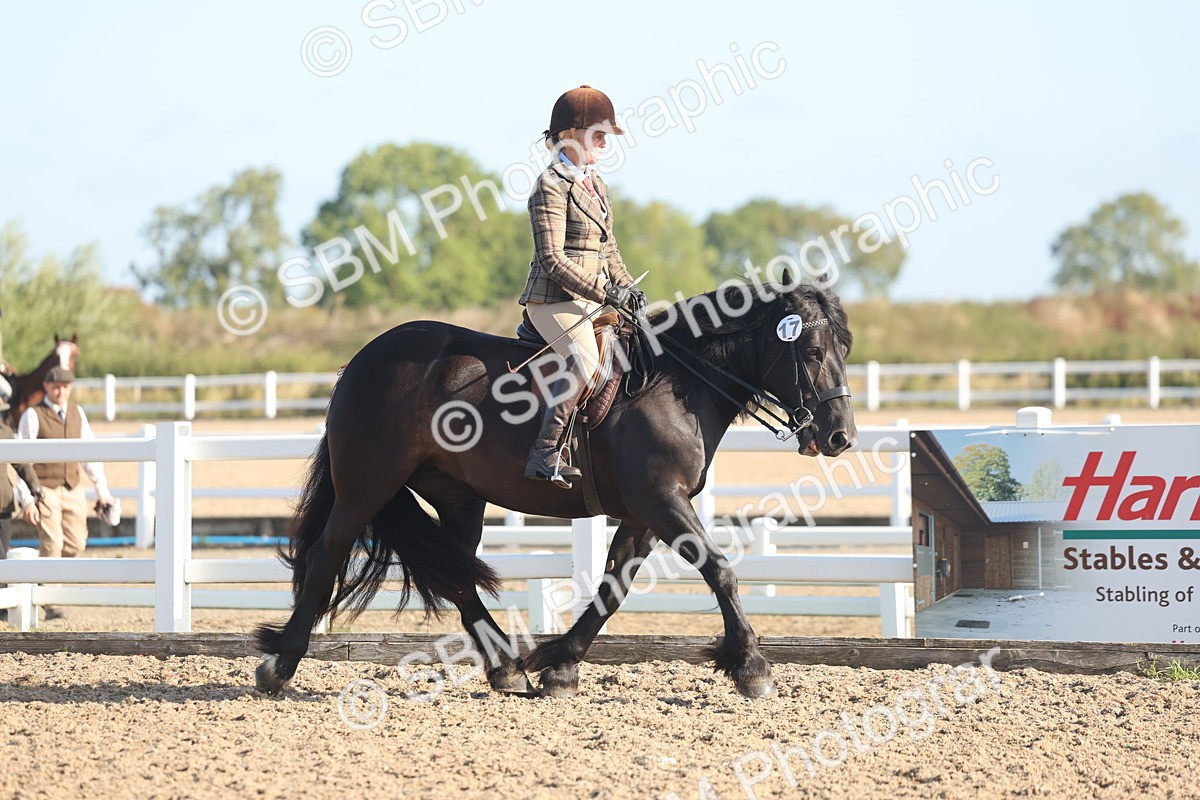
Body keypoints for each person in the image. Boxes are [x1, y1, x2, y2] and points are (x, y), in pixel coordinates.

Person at [519, 85, 646, 488]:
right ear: (571, 135)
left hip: (591, 298)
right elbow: (552, 259)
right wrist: (608, 292)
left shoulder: (596, 184)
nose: (606, 143)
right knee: (586, 360)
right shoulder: (549, 185)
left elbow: (608, 248)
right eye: (599, 134)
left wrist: (629, 288)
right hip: (553, 299)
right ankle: (545, 452)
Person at [17, 367, 114, 564]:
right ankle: (50, 590)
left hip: (73, 487)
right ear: (46, 386)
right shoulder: (33, 415)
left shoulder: (77, 412)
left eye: (65, 387)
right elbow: (21, 460)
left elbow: (90, 453)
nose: (61, 392)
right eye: (56, 387)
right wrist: (26, 499)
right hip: (44, 489)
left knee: (77, 543)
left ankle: (41, 573)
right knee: (53, 544)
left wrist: (101, 490)